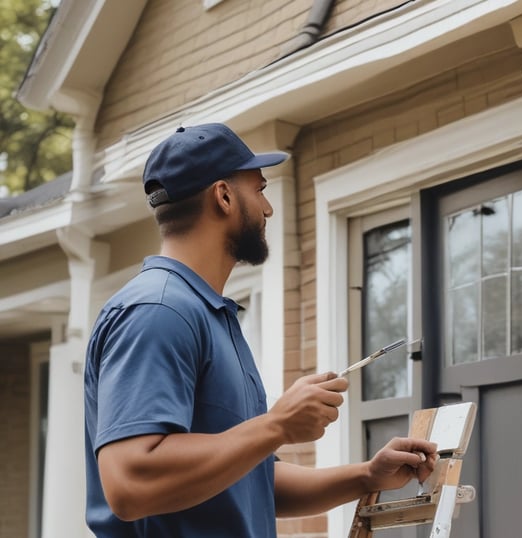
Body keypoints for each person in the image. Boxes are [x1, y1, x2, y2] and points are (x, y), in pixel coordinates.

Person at [84, 123, 438, 537]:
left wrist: (366, 476)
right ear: (224, 196)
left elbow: (247, 479)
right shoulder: (159, 311)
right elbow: (130, 484)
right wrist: (277, 425)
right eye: (260, 189)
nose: (268, 208)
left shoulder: (209, 316)